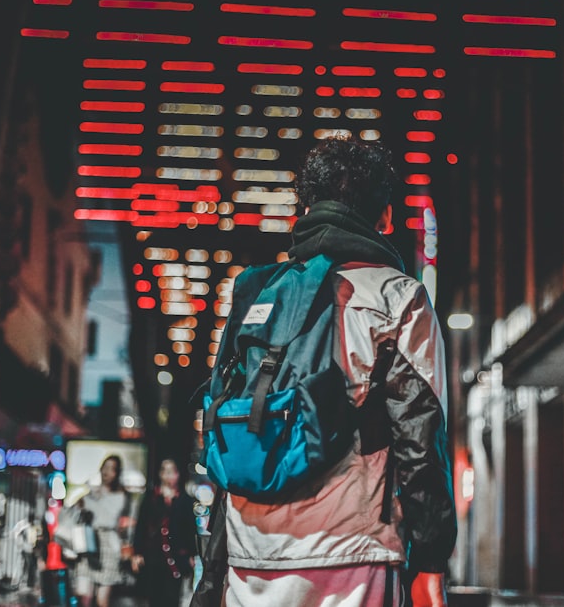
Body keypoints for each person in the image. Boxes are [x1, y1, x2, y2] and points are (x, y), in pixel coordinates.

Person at [192, 136, 457, 607]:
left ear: (307, 208)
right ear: (386, 217)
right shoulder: (397, 296)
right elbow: (421, 439)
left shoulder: (255, 291)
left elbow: (222, 428)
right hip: (351, 556)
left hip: (248, 555)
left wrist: (215, 570)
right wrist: (431, 561)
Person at [131, 458, 198, 607]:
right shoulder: (152, 498)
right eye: (165, 471)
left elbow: (190, 530)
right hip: (153, 555)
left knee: (173, 597)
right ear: (160, 474)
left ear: (178, 474)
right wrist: (137, 552)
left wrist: (191, 555)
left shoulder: (185, 500)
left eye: (172, 471)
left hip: (177, 556)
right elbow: (141, 526)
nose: (169, 476)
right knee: (153, 597)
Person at [71, 454, 133, 607]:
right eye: (105, 467)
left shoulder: (121, 495)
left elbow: (109, 518)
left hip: (109, 546)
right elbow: (75, 511)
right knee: (84, 595)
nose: (107, 472)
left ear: (117, 473)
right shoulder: (91, 494)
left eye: (112, 469)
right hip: (90, 542)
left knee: (102, 599)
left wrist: (91, 498)